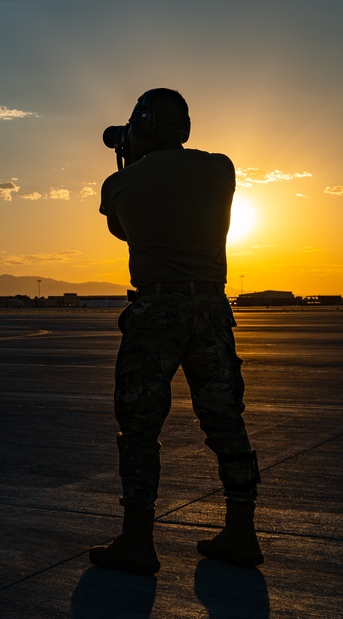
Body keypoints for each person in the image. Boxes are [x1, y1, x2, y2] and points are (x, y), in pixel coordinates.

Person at [90, 88, 262, 574]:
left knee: (140, 427)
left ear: (143, 127)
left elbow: (123, 230)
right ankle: (241, 531)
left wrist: (128, 160)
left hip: (155, 311)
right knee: (226, 419)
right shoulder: (219, 168)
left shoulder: (118, 185)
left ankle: (137, 540)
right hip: (210, 307)